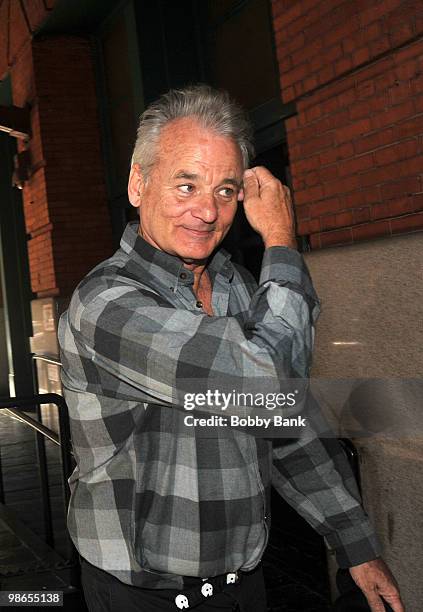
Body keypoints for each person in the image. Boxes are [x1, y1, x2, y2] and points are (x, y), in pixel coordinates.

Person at [58, 85, 404, 612]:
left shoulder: (239, 288)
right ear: (137, 183)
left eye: (224, 191)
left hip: (243, 583)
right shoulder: (106, 303)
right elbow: (266, 379)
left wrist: (355, 543)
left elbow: (283, 419)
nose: (205, 211)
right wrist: (282, 242)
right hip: (143, 595)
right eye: (185, 185)